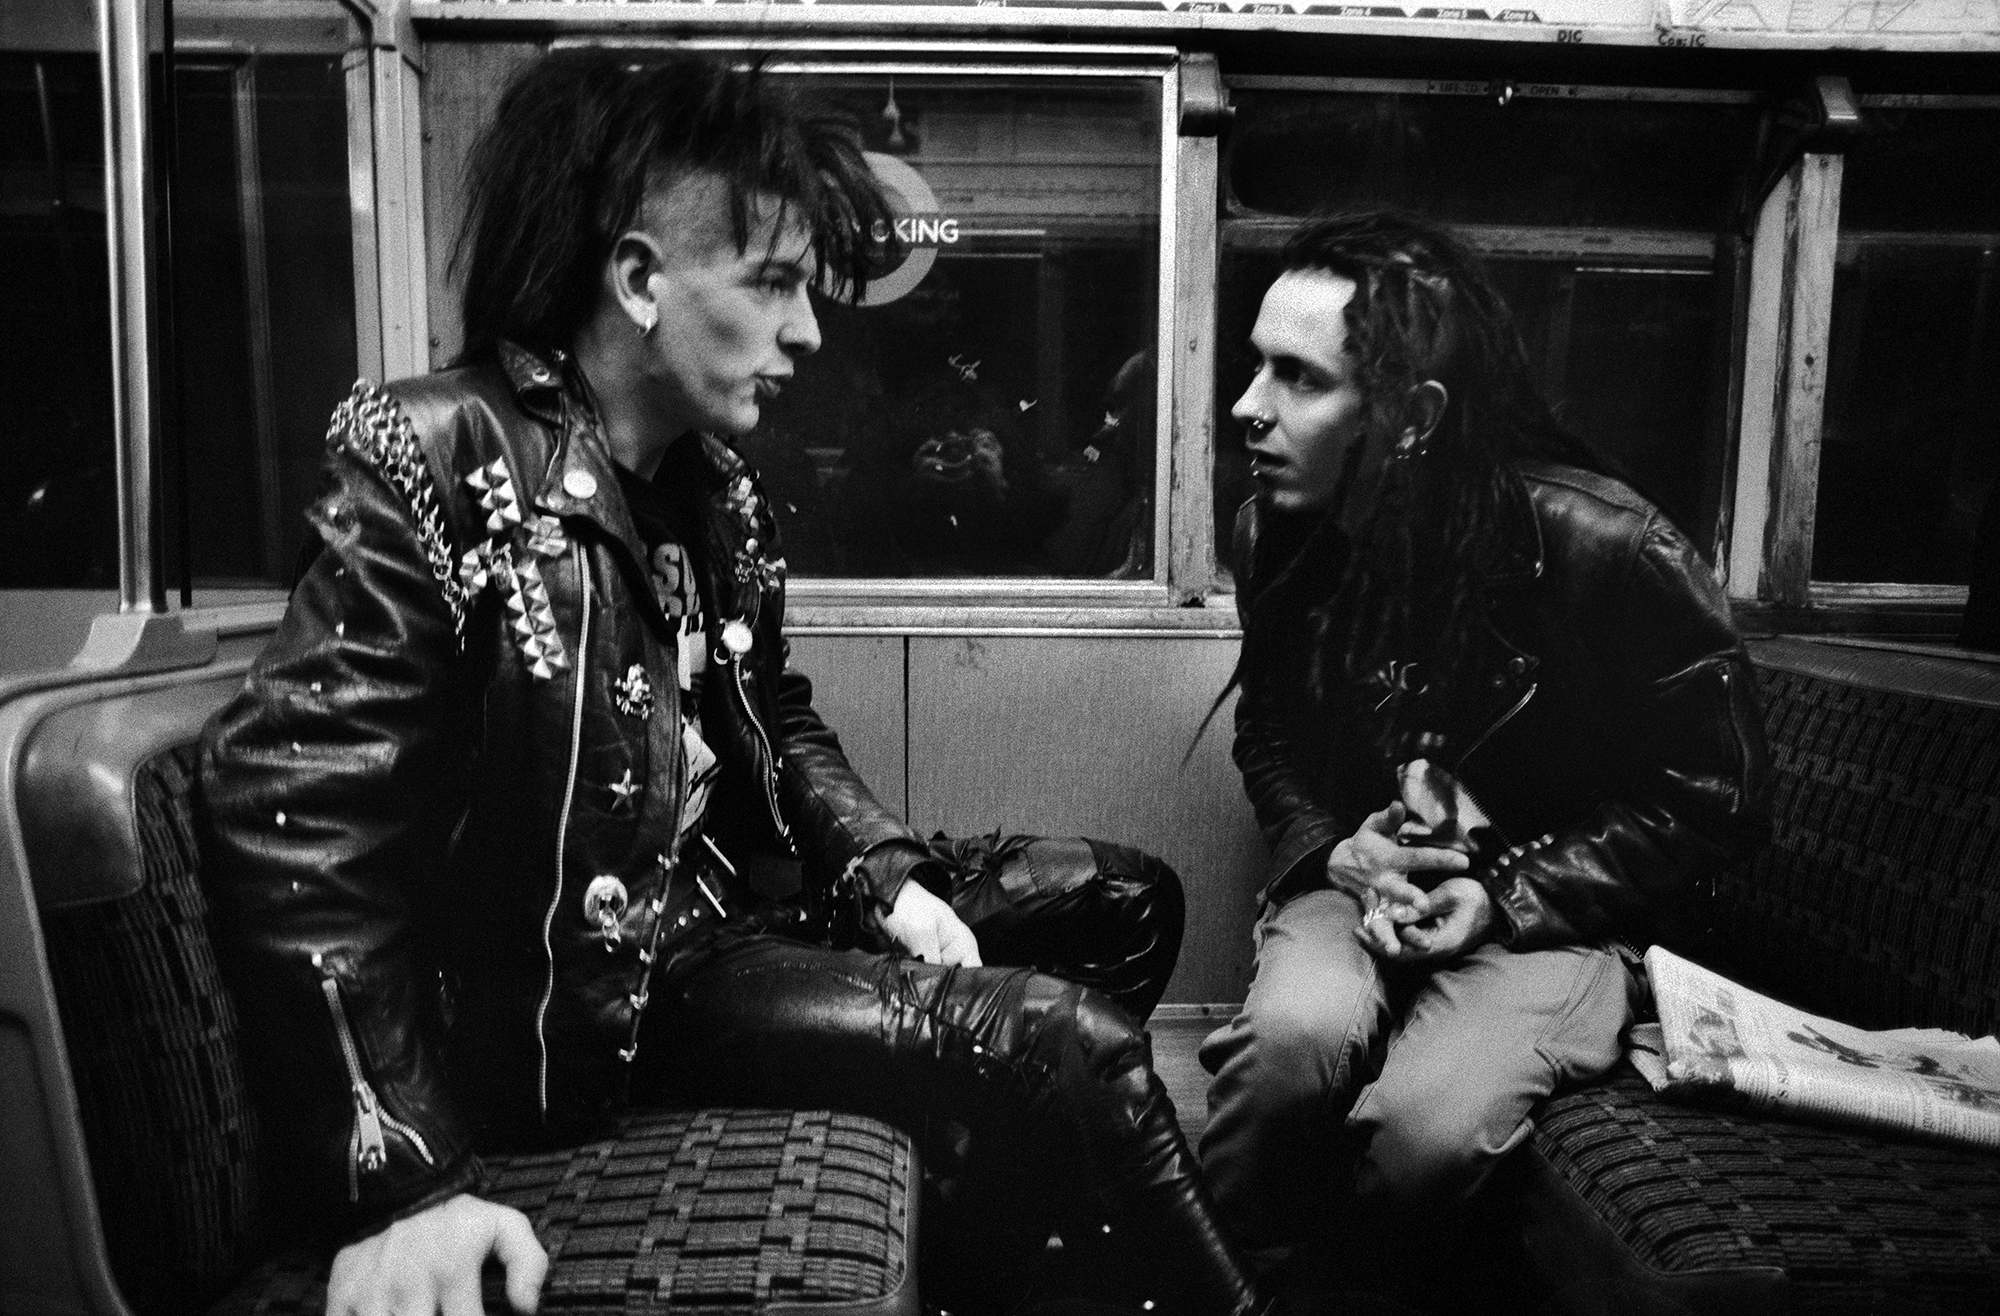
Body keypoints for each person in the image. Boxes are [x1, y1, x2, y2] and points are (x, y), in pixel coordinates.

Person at [198, 49, 1262, 1316]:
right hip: (619, 991)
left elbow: (766, 712)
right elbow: (293, 798)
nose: (809, 331)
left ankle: (993, 1238)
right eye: (771, 285)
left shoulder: (710, 490)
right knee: (1057, 1048)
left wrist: (885, 869)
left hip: (736, 910)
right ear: (640, 280)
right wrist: (402, 1181)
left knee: (1123, 902)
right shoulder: (436, 449)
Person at [1195, 212, 1772, 1276]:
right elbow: (1267, 728)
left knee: (1424, 1136)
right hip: (1361, 872)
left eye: (1296, 377)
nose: (1246, 406)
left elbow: (1713, 798)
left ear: (1412, 416)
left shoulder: (1610, 548)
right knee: (1278, 1062)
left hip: (1553, 905)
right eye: (1251, 367)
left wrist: (1504, 895)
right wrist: (1331, 849)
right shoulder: (1275, 529)